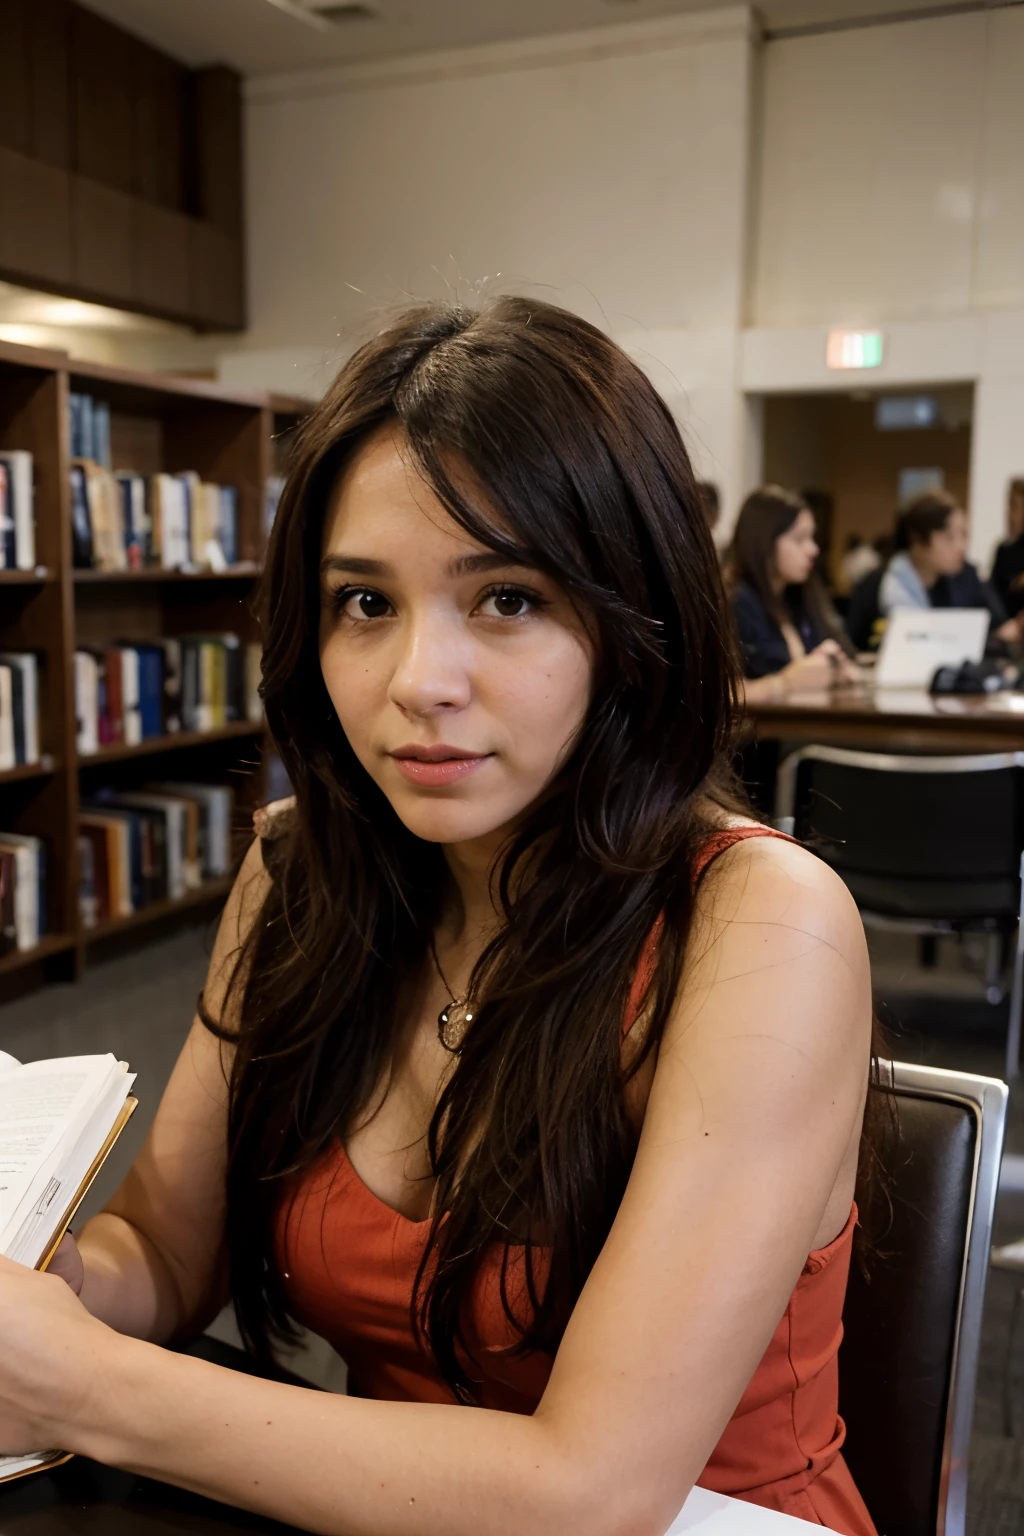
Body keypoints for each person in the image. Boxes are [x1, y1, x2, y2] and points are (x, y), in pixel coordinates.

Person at [0, 299, 877, 1536]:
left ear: (636, 623)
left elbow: (594, 1494)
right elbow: (165, 1253)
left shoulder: (761, 930)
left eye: (507, 598)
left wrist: (87, 1387)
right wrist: (50, 1288)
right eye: (365, 604)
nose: (418, 681)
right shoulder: (305, 873)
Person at [728, 486, 860, 702]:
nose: (813, 549)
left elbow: (841, 651)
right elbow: (720, 697)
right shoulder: (737, 602)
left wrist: (834, 668)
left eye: (812, 538)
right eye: (799, 539)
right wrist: (785, 682)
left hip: (804, 727)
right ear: (765, 543)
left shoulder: (798, 597)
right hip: (762, 733)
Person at [879, 489, 1019, 642]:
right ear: (918, 542)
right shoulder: (892, 587)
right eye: (949, 538)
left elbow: (1001, 625)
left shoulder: (964, 575)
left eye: (964, 535)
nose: (961, 546)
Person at [989, 478, 1024, 619]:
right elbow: (993, 593)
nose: (1009, 514)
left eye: (1014, 507)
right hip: (1006, 627)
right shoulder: (1003, 550)